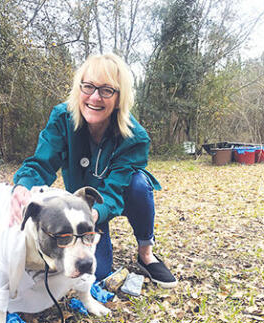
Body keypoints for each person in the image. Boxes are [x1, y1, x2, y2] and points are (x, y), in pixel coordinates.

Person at [10, 53, 177, 288]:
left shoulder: (135, 138)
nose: (95, 97)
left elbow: (114, 191)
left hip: (108, 201)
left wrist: (95, 214)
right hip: (82, 207)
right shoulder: (62, 118)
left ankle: (146, 253)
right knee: (96, 274)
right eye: (88, 87)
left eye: (107, 90)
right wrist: (22, 188)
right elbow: (40, 164)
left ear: (120, 98)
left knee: (139, 184)